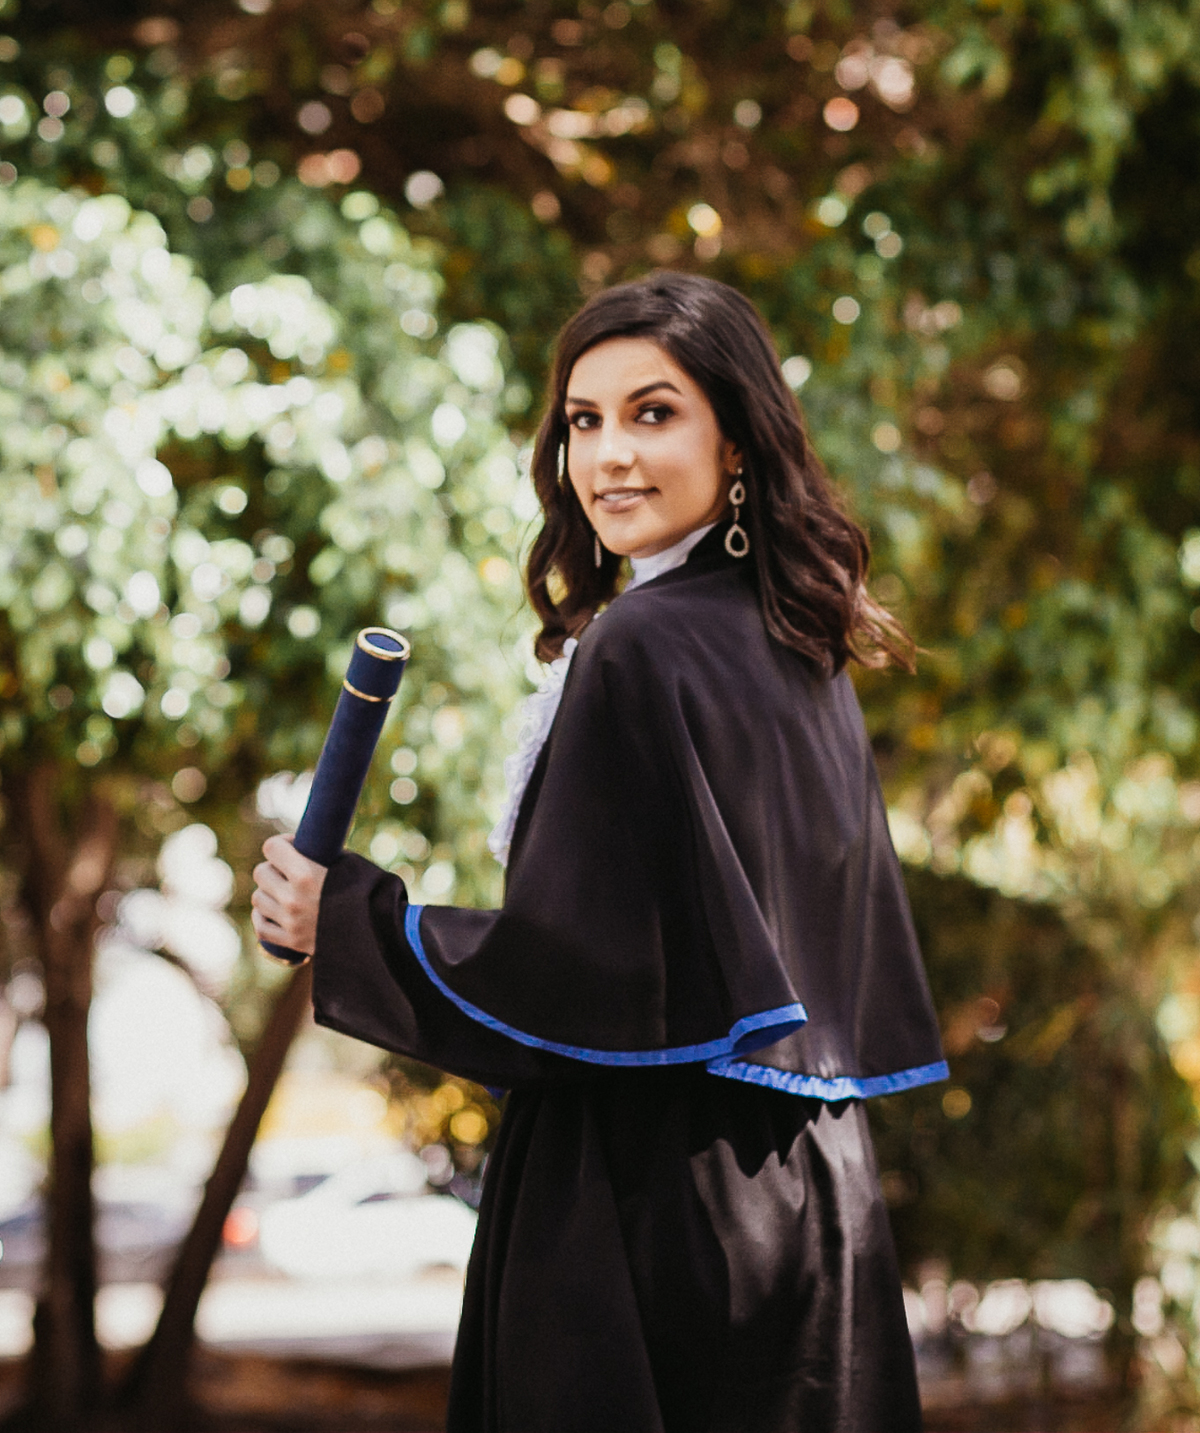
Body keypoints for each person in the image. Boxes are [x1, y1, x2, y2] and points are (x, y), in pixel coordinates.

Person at [252, 272, 947, 1433]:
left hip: (649, 1197)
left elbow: (581, 972)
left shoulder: (641, 642)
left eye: (653, 412)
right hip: (815, 1191)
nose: (609, 455)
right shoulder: (801, 641)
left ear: (737, 440)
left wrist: (352, 923)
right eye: (584, 421)